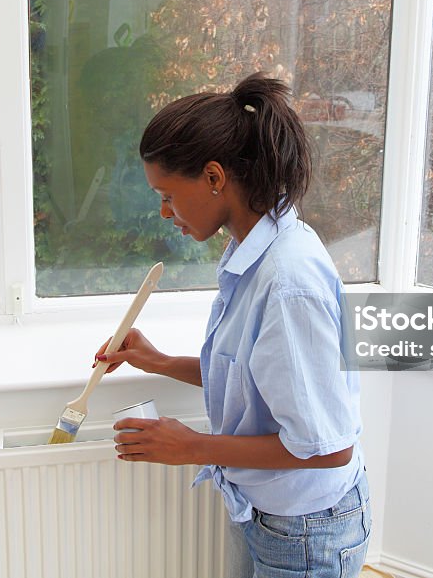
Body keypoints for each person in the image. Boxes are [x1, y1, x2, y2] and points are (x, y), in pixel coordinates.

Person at [95, 73, 370, 578]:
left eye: (169, 194)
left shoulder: (287, 283)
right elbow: (253, 378)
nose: (163, 211)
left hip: (305, 531)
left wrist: (192, 447)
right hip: (265, 513)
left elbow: (329, 448)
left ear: (215, 177)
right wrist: (156, 362)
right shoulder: (249, 249)